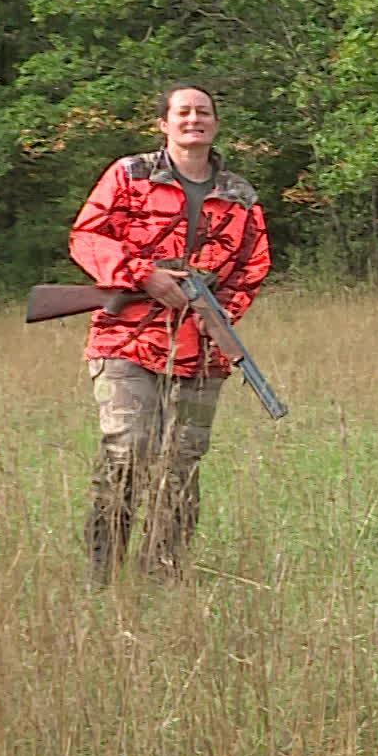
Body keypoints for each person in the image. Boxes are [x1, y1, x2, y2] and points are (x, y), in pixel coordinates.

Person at [69, 84, 272, 582]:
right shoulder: (130, 174)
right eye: (182, 112)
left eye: (203, 112)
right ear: (163, 123)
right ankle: (103, 572)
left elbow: (254, 265)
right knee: (130, 448)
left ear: (216, 124)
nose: (193, 119)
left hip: (201, 350)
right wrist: (143, 276)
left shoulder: (241, 195)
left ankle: (163, 576)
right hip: (126, 340)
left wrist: (220, 312)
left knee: (181, 466)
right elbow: (87, 236)